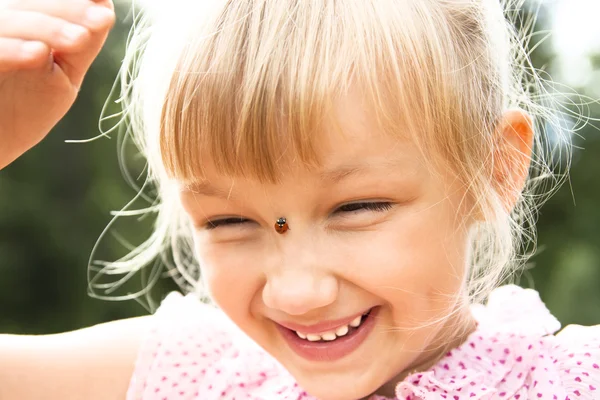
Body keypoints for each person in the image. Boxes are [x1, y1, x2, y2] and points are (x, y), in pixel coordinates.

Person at [0, 0, 598, 399]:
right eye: (230, 219)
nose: (297, 292)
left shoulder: (571, 380)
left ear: (494, 167)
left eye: (356, 208)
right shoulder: (193, 374)